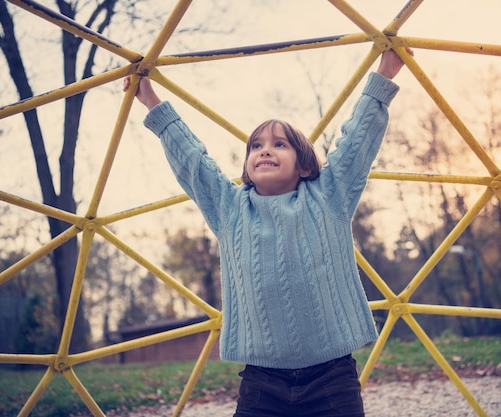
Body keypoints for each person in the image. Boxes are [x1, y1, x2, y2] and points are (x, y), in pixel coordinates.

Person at [124, 47, 412, 417]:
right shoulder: (230, 209)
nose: (265, 150)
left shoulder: (328, 196)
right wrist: (151, 100)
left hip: (332, 377)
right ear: (246, 164)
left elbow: (357, 141)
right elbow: (194, 162)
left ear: (305, 165)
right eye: (256, 145)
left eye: (279, 144)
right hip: (261, 383)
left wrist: (385, 73)